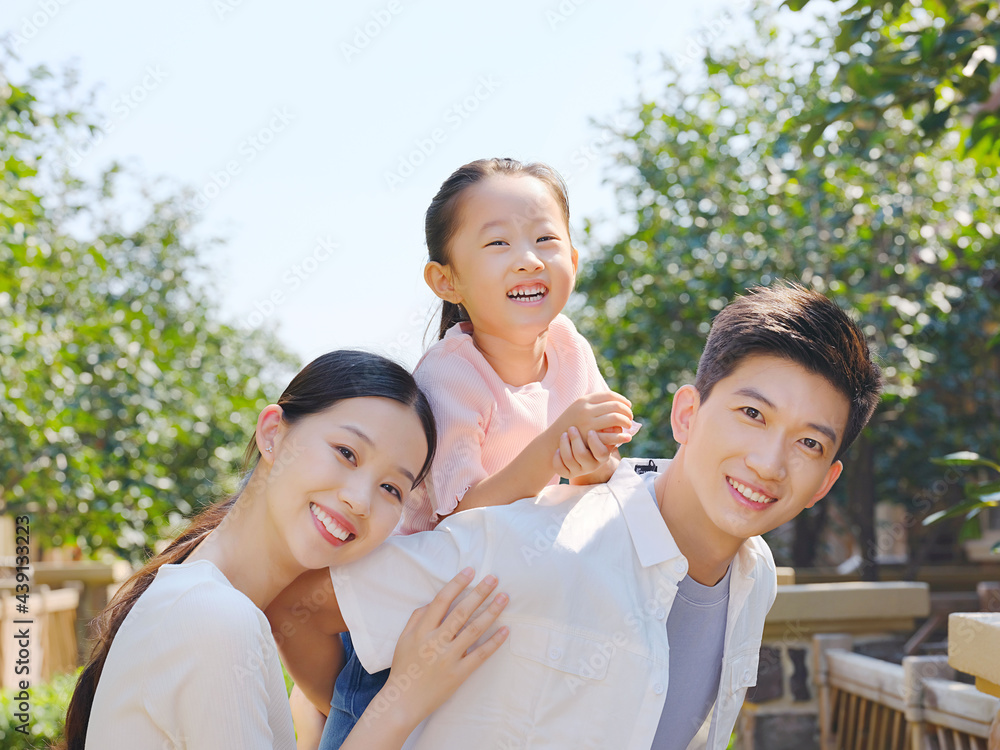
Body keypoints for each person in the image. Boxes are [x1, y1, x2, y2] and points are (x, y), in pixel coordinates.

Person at [272, 282, 883, 749]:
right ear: (688, 415)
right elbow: (298, 604)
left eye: (809, 443)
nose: (769, 462)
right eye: (752, 414)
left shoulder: (756, 576)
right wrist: (385, 710)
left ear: (825, 482)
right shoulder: (542, 536)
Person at [305, 157, 638, 748]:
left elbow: (591, 476)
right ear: (447, 281)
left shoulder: (568, 346)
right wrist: (556, 448)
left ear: (573, 261)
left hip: (502, 595)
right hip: (413, 608)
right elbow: (462, 514)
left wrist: (594, 464)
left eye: (545, 239)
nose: (528, 257)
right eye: (498, 242)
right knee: (375, 723)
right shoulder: (452, 372)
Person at [59, 350, 509, 750]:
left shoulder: (215, 605)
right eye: (347, 452)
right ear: (273, 434)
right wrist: (402, 702)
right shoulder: (214, 617)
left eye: (391, 487)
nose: (359, 499)